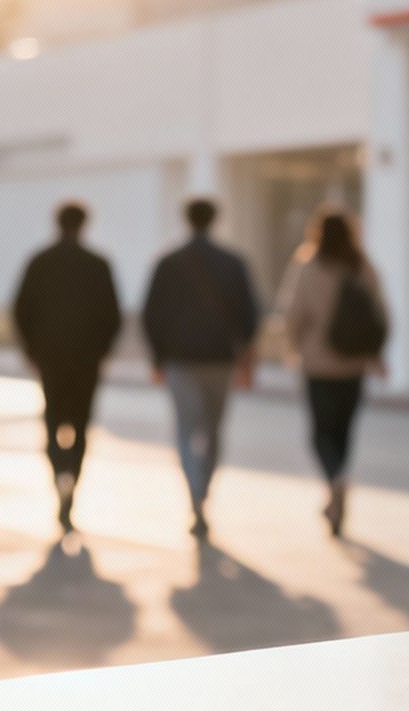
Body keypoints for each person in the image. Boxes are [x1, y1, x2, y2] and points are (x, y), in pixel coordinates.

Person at [142, 197, 259, 538]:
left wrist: (158, 358)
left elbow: (152, 314)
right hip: (220, 360)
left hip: (181, 361)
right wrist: (245, 355)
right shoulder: (233, 262)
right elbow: (250, 314)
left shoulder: (168, 263)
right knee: (213, 430)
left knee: (186, 429)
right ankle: (203, 489)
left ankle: (194, 490)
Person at [11, 202, 122, 532]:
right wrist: (102, 350)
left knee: (52, 419)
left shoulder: (40, 262)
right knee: (81, 424)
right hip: (86, 359)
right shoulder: (98, 265)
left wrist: (32, 349)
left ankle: (60, 472)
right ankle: (72, 477)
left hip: (51, 357)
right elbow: (112, 314)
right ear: (84, 224)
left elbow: (21, 308)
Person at [278, 207, 388, 537]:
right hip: (354, 364)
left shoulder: (309, 266)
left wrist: (293, 349)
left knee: (320, 432)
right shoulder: (361, 266)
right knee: (343, 430)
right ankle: (339, 478)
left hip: (318, 364)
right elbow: (380, 314)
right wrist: (375, 355)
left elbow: (292, 314)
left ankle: (334, 478)